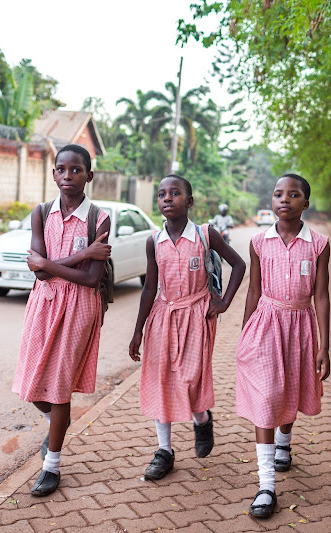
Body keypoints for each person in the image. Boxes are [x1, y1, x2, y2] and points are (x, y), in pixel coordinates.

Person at [129, 174, 246, 480]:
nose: (167, 198)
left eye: (175, 193)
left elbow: (239, 265)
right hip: (162, 316)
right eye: (161, 194)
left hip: (198, 315)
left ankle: (202, 419)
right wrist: (138, 331)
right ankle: (164, 451)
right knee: (161, 380)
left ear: (189, 201)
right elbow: (148, 289)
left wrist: (223, 303)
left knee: (190, 379)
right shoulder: (153, 241)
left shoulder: (207, 234)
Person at [12, 144, 112, 497]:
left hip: (81, 306)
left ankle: (51, 466)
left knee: (59, 385)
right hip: (44, 302)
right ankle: (56, 424)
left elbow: (88, 279)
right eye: (60, 170)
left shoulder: (99, 218)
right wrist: (84, 254)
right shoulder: (41, 212)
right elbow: (38, 274)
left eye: (75, 170)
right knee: (31, 382)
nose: (67, 176)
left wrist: (48, 264)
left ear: (89, 175)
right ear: (53, 173)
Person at [234, 173, 331, 518]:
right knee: (266, 396)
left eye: (293, 195)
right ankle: (266, 485)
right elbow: (253, 290)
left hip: (301, 325)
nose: (284, 200)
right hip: (265, 323)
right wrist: (245, 331)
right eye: (278, 194)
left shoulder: (318, 244)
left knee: (290, 390)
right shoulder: (259, 242)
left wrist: (325, 346)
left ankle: (284, 444)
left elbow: (321, 295)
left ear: (306, 203)